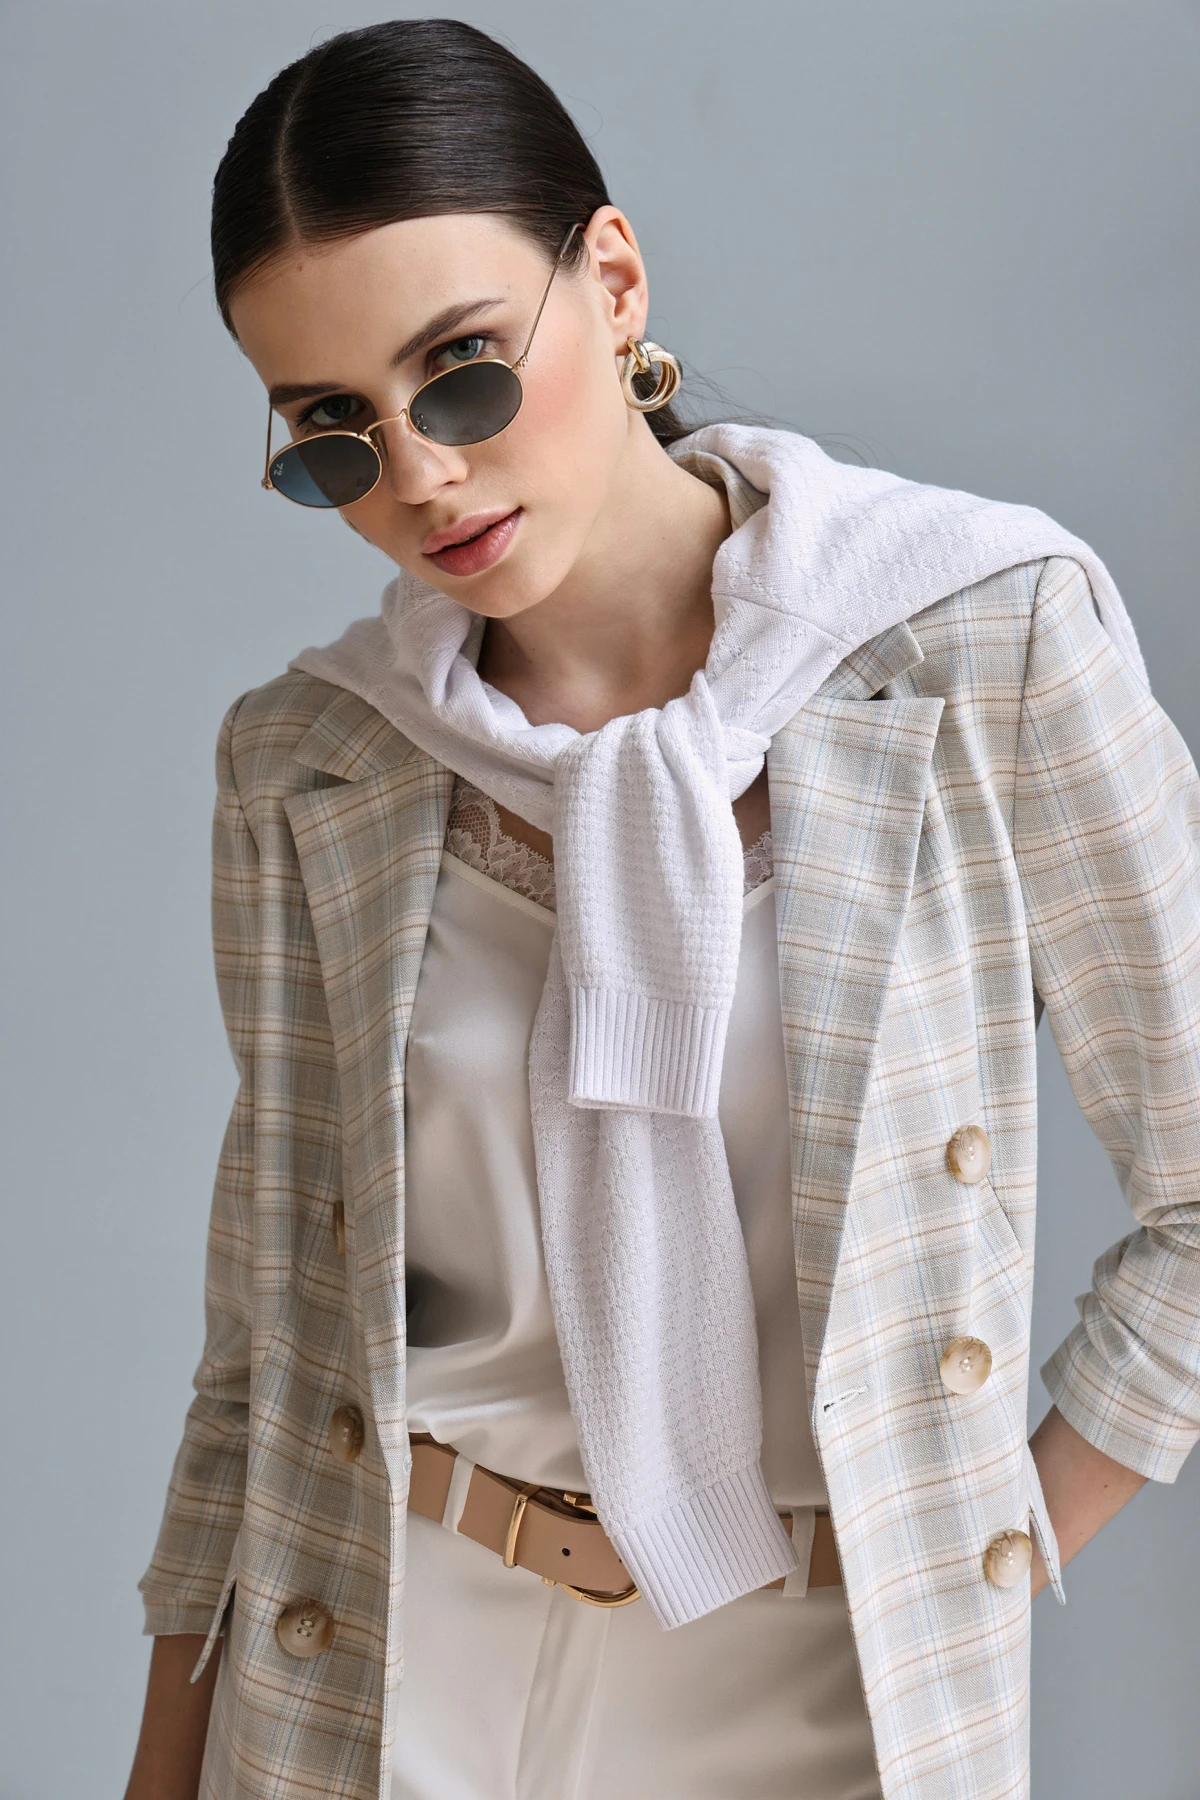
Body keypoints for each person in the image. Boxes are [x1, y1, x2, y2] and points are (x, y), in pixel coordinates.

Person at [123, 18, 1200, 1800]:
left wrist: (993, 1548)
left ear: (613, 283)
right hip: (393, 1672)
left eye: (460, 371)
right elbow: (263, 1344)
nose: (421, 476)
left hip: (819, 1683)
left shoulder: (980, 643)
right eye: (333, 435)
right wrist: (162, 1764)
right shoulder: (314, 764)